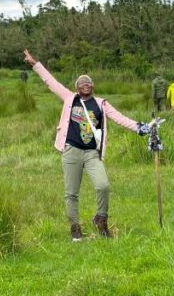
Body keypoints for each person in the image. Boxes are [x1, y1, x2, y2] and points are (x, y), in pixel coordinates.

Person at [23, 49, 151, 241]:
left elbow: (119, 118)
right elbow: (51, 82)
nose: (85, 84)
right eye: (81, 83)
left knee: (103, 185)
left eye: (88, 82)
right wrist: (35, 64)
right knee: (71, 193)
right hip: (71, 151)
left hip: (92, 153)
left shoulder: (101, 104)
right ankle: (75, 228)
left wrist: (141, 128)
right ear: (77, 87)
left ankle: (100, 219)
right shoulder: (69, 99)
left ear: (93, 86)